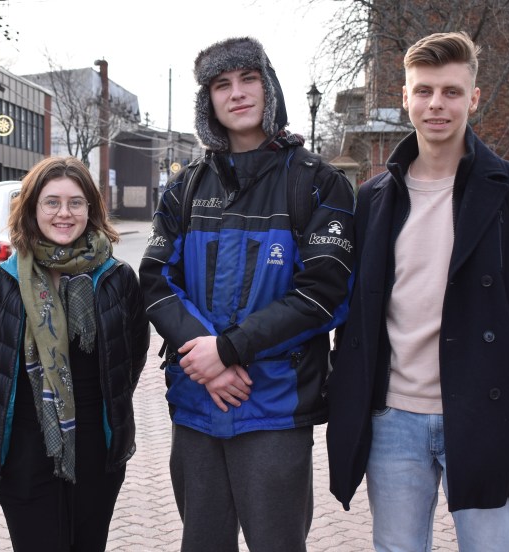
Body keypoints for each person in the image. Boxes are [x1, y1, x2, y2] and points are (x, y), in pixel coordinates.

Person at [326, 31, 509, 551]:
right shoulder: (373, 198)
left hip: (486, 412)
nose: (436, 104)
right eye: (424, 91)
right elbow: (353, 309)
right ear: (405, 97)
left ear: (474, 98)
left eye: (451, 91)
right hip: (392, 418)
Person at [139, 36, 356, 551]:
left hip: (274, 407)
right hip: (196, 403)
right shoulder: (185, 188)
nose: (237, 93)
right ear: (208, 101)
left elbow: (323, 294)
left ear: (269, 87)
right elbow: (155, 280)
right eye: (222, 85)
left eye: (248, 79)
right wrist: (208, 361)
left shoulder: (318, 184)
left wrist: (229, 349)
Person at [0, 156, 150, 551]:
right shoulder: (4, 285)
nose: (64, 213)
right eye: (51, 202)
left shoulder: (118, 279)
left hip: (97, 449)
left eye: (75, 202)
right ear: (32, 208)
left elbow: (131, 358)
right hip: (24, 450)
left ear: (91, 209)